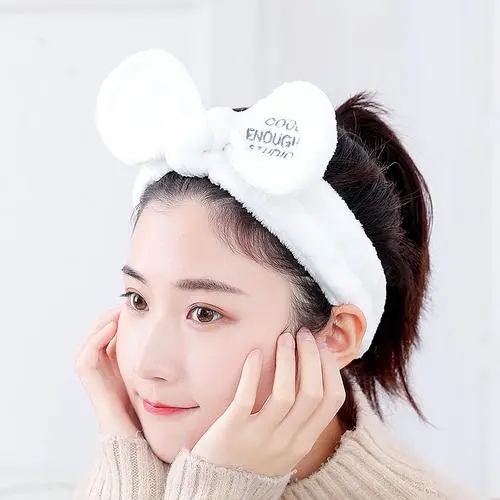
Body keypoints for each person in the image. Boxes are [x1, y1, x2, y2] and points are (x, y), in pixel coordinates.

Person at [73, 50, 472, 499]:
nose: (147, 364)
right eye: (138, 300)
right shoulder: (133, 470)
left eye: (204, 313)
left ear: (335, 335)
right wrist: (126, 465)